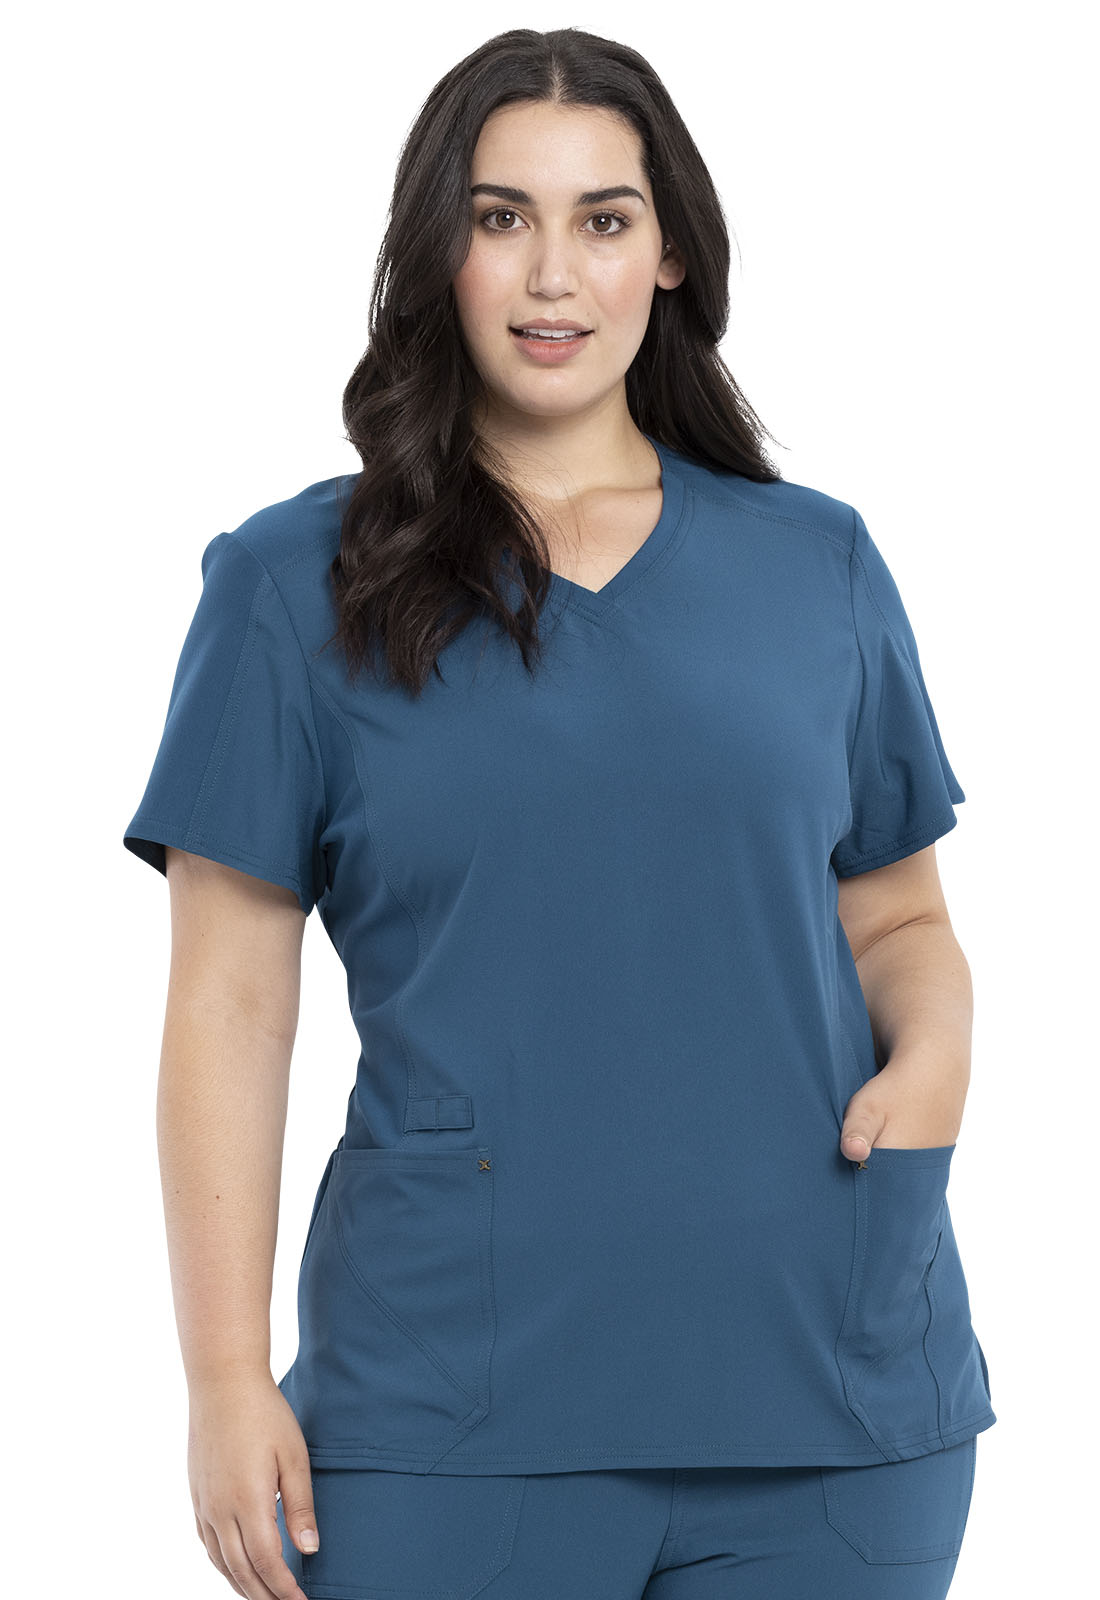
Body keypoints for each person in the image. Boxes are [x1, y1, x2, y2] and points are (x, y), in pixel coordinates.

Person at [122, 25, 996, 1600]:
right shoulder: (289, 587)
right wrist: (223, 1377)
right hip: (444, 1418)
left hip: (833, 1402)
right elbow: (230, 1004)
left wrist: (935, 1060)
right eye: (499, 216)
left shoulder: (819, 568)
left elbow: (899, 918)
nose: (551, 275)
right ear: (437, 253)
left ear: (669, 253)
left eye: (603, 219)